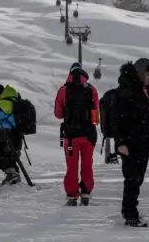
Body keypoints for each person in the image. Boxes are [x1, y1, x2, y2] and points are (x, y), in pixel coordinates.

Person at [114, 58, 149, 227]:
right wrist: (121, 142)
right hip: (130, 144)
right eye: (147, 74)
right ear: (139, 73)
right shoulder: (126, 92)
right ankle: (130, 215)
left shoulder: (145, 92)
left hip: (143, 143)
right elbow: (118, 119)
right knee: (132, 179)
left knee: (137, 179)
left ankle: (129, 211)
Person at [54, 62, 99, 206]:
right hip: (88, 135)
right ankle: (86, 193)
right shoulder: (92, 89)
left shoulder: (63, 90)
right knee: (87, 164)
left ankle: (72, 195)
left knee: (71, 165)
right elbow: (96, 118)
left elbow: (58, 114)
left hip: (71, 136)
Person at [0, 83, 23, 186]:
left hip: (5, 133)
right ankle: (12, 174)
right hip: (13, 134)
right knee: (8, 156)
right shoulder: (12, 99)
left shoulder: (5, 101)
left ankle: (13, 173)